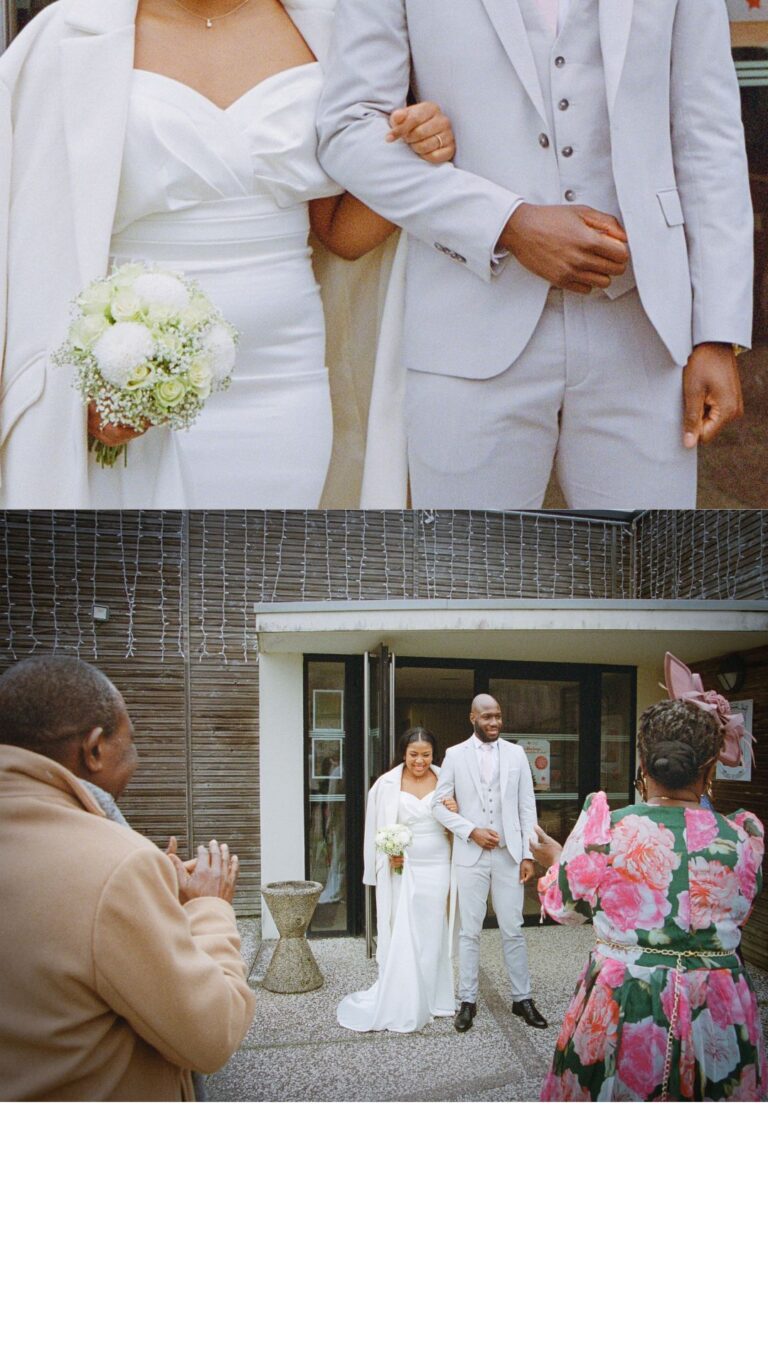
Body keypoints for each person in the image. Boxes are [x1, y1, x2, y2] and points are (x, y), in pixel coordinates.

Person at [0, 0, 455, 509]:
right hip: (126, 385)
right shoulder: (70, 33)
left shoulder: (329, 28)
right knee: (132, 580)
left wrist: (419, 157)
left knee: (263, 571)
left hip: (286, 380)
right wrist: (77, 383)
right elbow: (33, 235)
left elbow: (340, 235)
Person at [317, 0, 753, 511]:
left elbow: (709, 137)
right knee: (473, 581)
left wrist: (717, 334)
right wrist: (507, 222)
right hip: (468, 318)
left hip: (645, 326)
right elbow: (350, 130)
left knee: (646, 578)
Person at [0, 655, 255, 1101]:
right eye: (131, 741)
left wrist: (153, 897)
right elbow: (213, 1037)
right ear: (95, 748)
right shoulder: (119, 866)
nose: (135, 759)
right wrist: (208, 907)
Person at [535, 661, 765, 1101]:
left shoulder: (606, 829)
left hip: (626, 1000)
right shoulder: (744, 838)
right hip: (717, 1005)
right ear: (710, 765)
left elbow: (563, 908)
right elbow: (741, 907)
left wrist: (556, 858)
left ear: (643, 761)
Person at [432, 695, 548, 1033]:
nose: (494, 722)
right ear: (473, 718)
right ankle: (467, 1001)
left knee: (513, 928)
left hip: (510, 855)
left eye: (498, 716)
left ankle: (521, 998)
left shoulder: (516, 753)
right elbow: (438, 805)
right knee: (469, 931)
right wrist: (471, 831)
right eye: (487, 717)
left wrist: (528, 854)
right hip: (471, 855)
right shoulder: (455, 755)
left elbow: (527, 807)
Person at [337, 727, 457, 1033]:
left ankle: (433, 995)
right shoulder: (386, 784)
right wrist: (387, 854)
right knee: (404, 926)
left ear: (435, 754)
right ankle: (405, 993)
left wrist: (457, 811)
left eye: (426, 755)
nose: (420, 761)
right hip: (404, 866)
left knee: (433, 927)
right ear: (403, 753)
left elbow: (462, 825)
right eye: (414, 754)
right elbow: (375, 829)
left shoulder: (446, 779)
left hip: (439, 863)